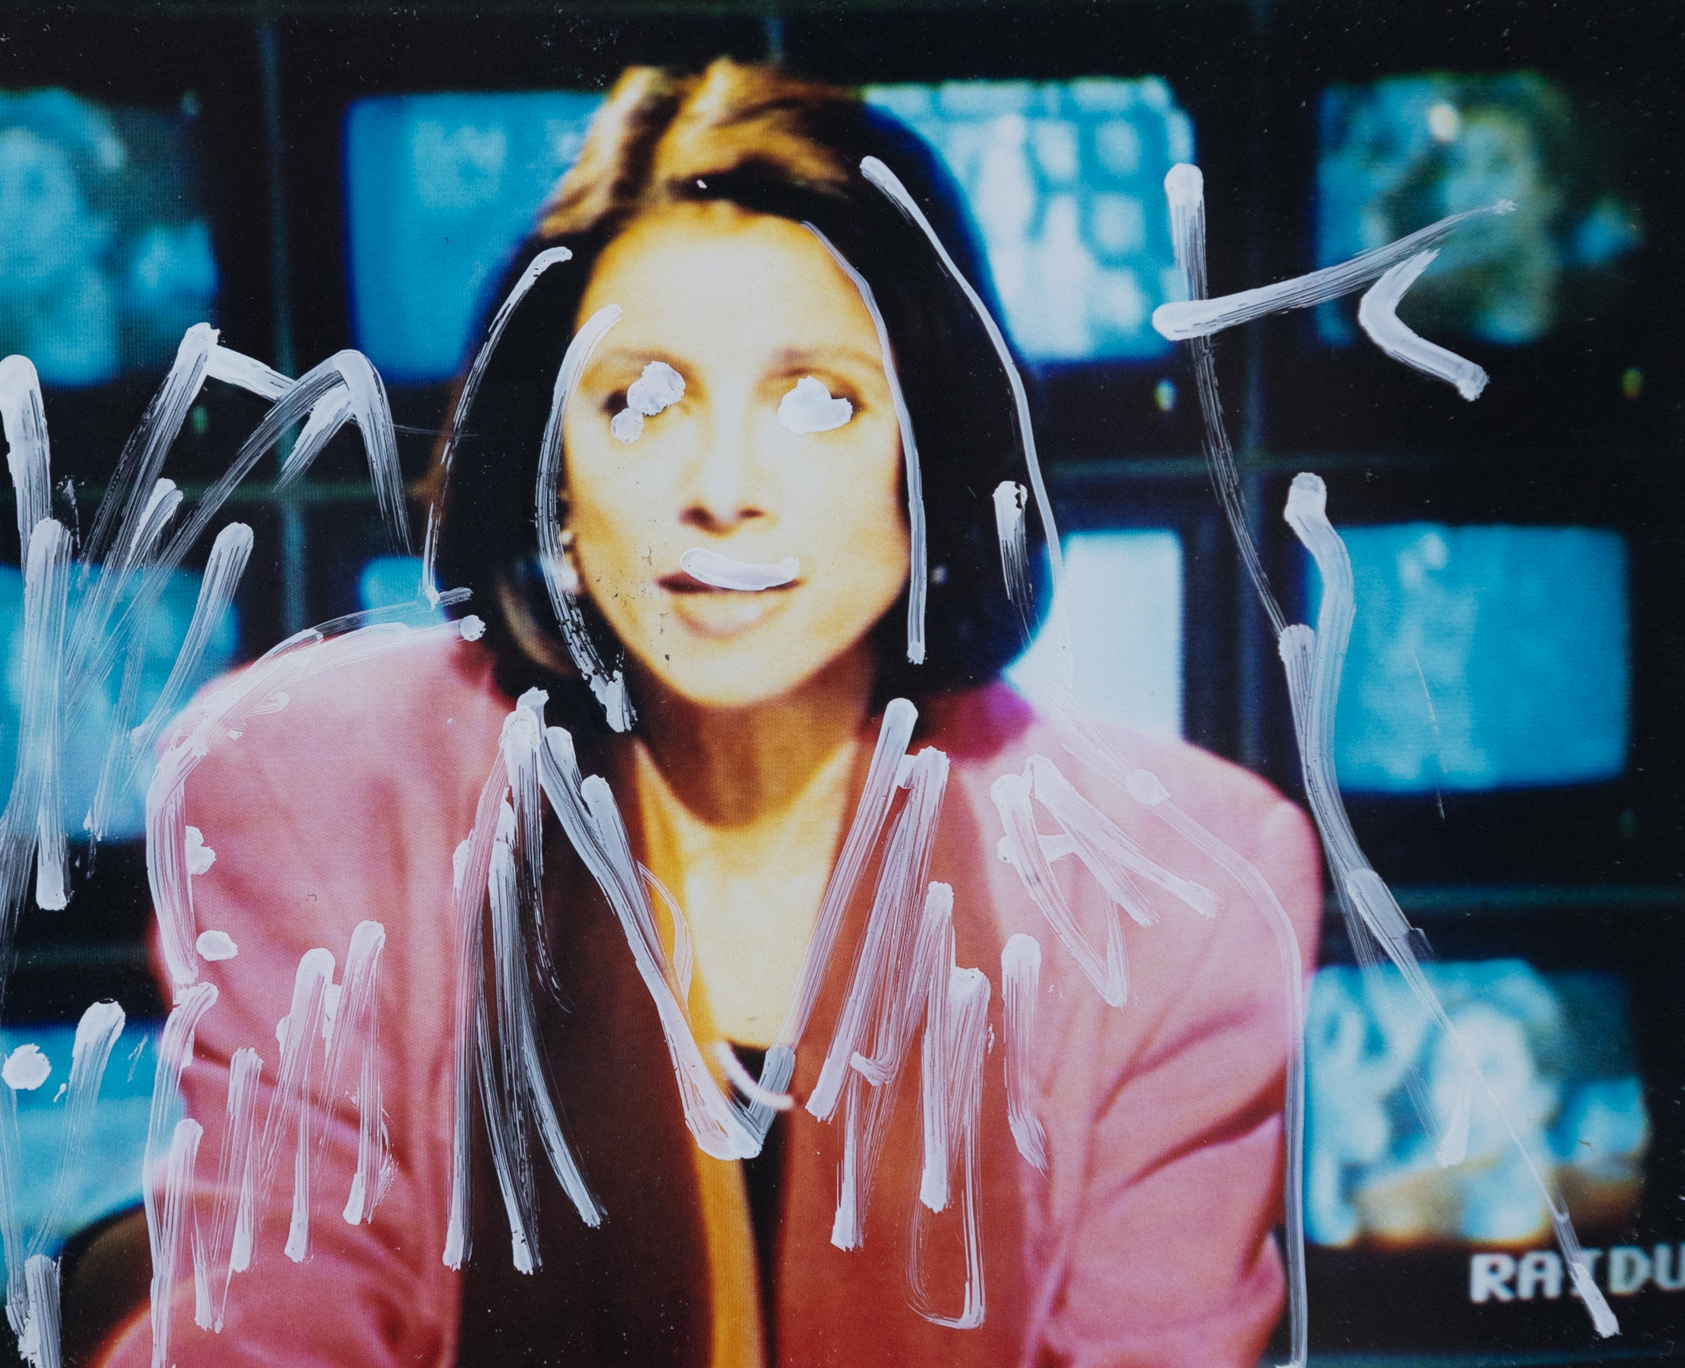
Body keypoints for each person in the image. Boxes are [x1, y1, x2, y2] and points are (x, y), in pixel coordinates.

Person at [89, 58, 1320, 1368]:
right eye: (640, 400)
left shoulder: (1186, 893)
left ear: (932, 449)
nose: (724, 488)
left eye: (820, 401)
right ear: (555, 470)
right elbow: (272, 1327)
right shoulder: (310, 793)